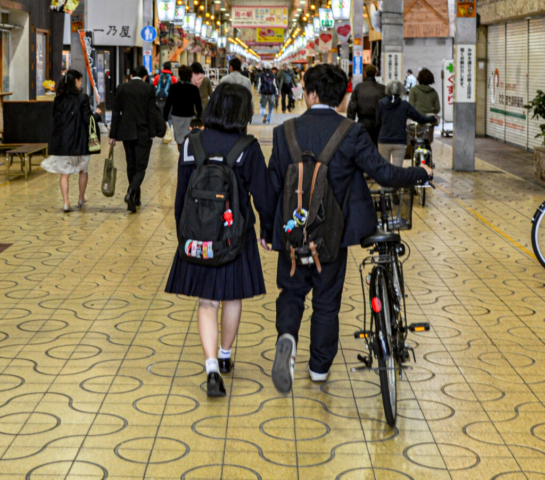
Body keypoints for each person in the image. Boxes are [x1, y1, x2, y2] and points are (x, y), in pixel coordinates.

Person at [267, 64, 433, 394]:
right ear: (341, 98)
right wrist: (420, 173)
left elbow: (272, 184)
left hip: (292, 231)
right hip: (333, 234)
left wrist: (267, 229)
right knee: (326, 302)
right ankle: (318, 368)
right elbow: (384, 173)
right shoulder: (351, 132)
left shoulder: (284, 132)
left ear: (309, 94)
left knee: (291, 292)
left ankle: (287, 337)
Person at [165, 83, 274, 397]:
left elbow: (182, 195)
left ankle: (211, 366)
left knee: (207, 302)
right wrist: (267, 231)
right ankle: (225, 355)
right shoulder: (247, 147)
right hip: (235, 237)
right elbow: (263, 196)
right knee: (232, 297)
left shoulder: (191, 143)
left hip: (199, 234)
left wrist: (184, 235)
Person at [42, 69, 102, 213]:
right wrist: (97, 115)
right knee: (83, 170)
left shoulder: (58, 99)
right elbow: (87, 120)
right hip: (80, 140)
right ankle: (81, 199)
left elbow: (55, 120)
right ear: (75, 81)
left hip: (63, 141)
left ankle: (66, 203)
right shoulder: (82, 98)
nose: (80, 83)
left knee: (65, 173)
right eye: (80, 80)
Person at [110, 66, 158, 213]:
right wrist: (152, 132)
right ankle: (131, 193)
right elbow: (151, 112)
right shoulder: (149, 88)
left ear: (131, 76)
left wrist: (113, 134)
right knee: (141, 167)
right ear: (144, 77)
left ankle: (136, 198)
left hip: (126, 132)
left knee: (131, 165)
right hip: (143, 132)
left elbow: (116, 112)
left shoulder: (122, 88)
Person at [377, 81, 438, 167]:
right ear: (401, 91)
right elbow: (419, 118)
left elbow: (377, 122)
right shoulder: (405, 105)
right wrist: (432, 118)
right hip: (399, 141)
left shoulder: (381, 103)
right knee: (398, 169)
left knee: (383, 167)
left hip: (384, 140)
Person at [163, 65, 203, 152]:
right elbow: (199, 105)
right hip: (190, 116)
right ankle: (187, 154)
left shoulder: (174, 87)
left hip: (176, 116)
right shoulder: (194, 89)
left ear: (179, 75)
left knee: (179, 139)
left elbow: (168, 103)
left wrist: (165, 117)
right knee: (189, 138)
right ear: (190, 75)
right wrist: (199, 117)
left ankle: (181, 154)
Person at [347, 64, 386, 147]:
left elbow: (352, 107)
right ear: (376, 73)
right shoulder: (382, 89)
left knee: (362, 146)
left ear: (365, 73)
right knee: (376, 147)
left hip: (362, 122)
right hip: (378, 124)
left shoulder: (359, 87)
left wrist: (350, 124)